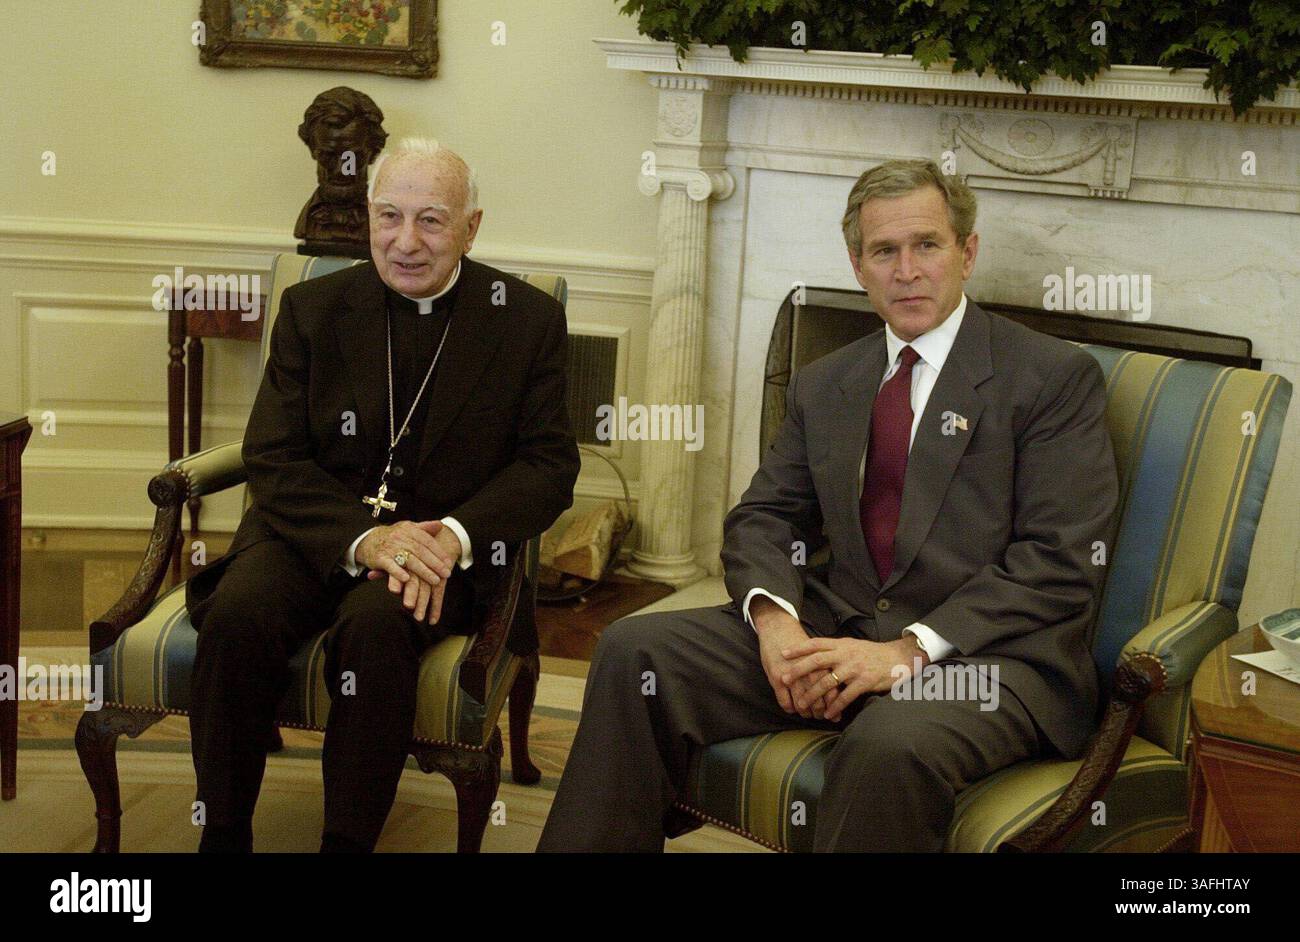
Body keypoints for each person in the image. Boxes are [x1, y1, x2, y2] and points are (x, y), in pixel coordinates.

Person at [538, 159, 1119, 852]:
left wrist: (907, 652)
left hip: (989, 661)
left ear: (967, 253)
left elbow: (1058, 560)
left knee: (888, 742)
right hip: (836, 631)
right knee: (638, 649)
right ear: (857, 264)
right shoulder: (827, 383)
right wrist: (776, 626)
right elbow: (765, 518)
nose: (906, 270)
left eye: (926, 245)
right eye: (884, 251)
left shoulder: (1050, 377)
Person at [186, 137, 580, 853]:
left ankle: (347, 844)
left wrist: (452, 538)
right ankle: (223, 836)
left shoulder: (523, 320)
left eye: (430, 220)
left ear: (471, 226)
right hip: (312, 535)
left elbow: (548, 465)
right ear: (367, 215)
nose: (405, 242)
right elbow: (273, 455)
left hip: (437, 555)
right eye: (388, 216)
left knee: (374, 627)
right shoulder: (313, 309)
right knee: (237, 615)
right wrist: (364, 539)